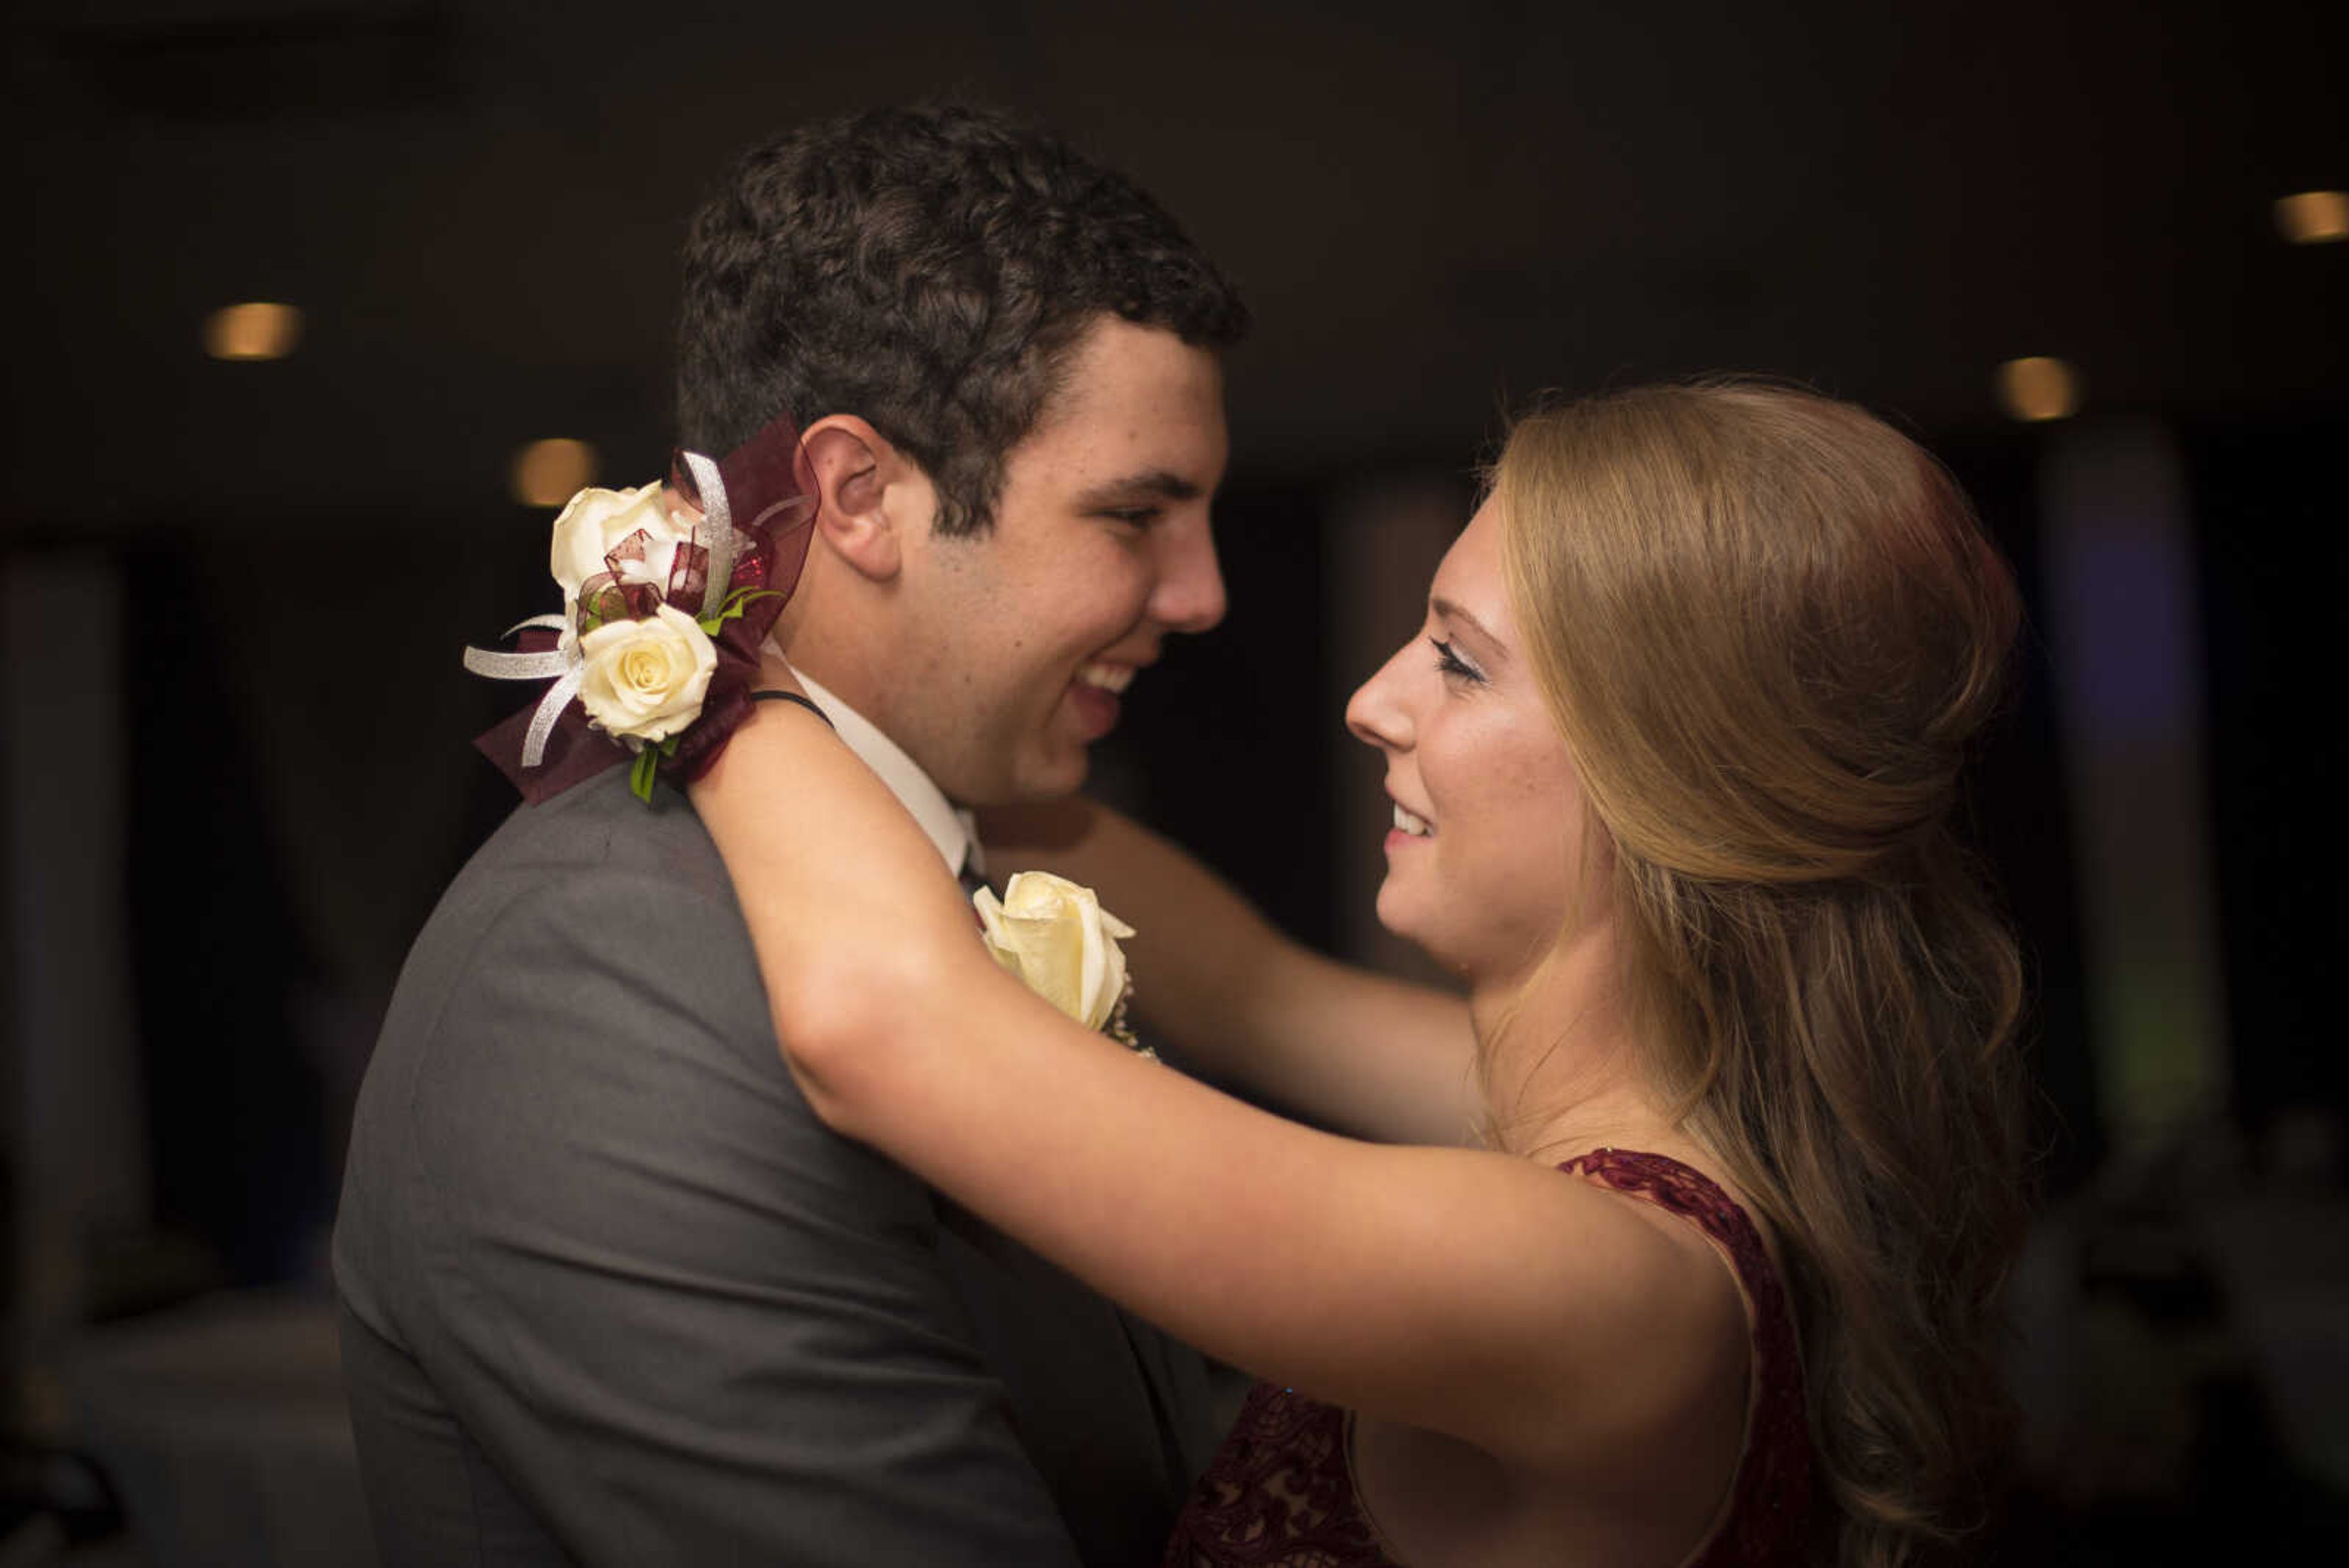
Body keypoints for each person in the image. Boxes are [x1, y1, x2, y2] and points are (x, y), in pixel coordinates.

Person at [691, 381, 2033, 1568]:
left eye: (1458, 661)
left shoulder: (1604, 1288)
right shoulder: (1621, 1121)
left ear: (1666, 778)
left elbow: (880, 1026)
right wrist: (943, 678)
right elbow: (1242, 986)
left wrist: (689, 630)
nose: (1375, 699)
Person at [334, 104, 1250, 1566]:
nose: (1201, 595)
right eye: (1136, 515)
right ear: (862, 495)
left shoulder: (963, 850)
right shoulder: (591, 987)